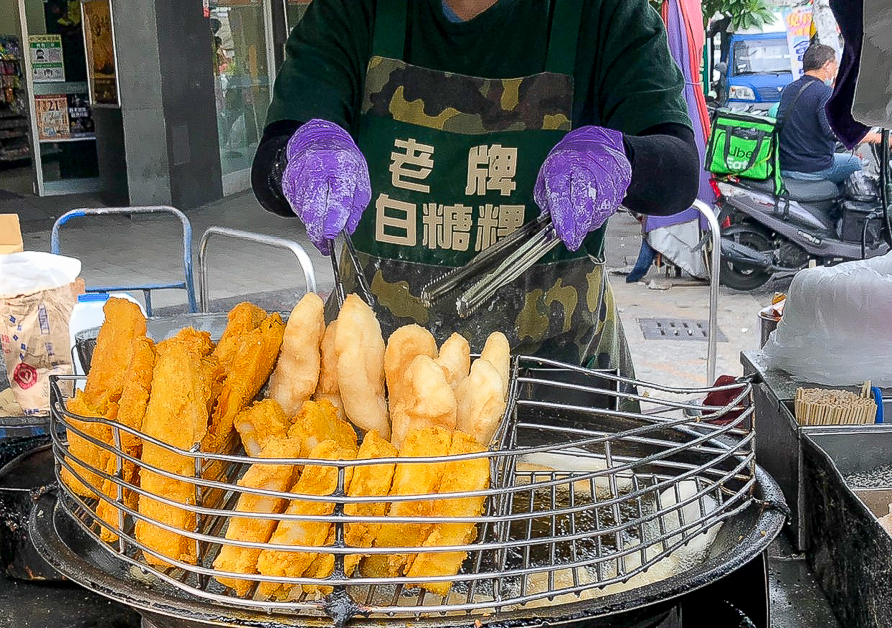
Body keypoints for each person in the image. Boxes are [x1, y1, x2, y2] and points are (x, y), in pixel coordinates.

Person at [251, 0, 699, 376]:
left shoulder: (606, 13)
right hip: (377, 385)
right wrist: (300, 155)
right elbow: (270, 161)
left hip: (561, 384)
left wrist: (623, 159)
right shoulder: (352, 10)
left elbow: (679, 170)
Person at [777, 44, 883, 184]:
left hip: (785, 165)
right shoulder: (824, 93)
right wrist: (877, 138)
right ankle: (840, 205)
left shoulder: (790, 89)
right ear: (827, 65)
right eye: (835, 65)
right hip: (811, 169)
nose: (835, 71)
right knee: (856, 163)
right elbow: (836, 132)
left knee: (845, 158)